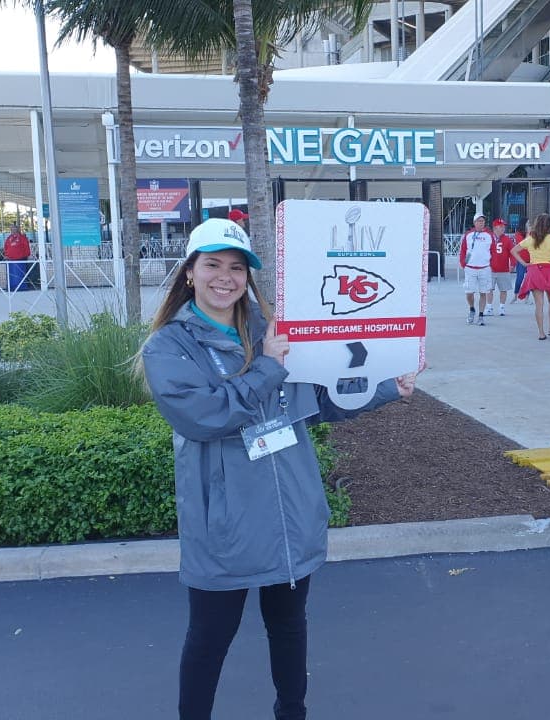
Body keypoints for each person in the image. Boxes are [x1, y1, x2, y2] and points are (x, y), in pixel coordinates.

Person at [139, 218, 415, 720]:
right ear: (189, 274)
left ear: (249, 277)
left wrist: (386, 388)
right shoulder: (170, 346)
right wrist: (269, 365)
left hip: (290, 512)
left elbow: (321, 402)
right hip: (226, 522)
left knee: (289, 627)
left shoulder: (274, 334)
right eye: (213, 265)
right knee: (209, 638)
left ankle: (293, 712)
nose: (225, 278)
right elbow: (207, 416)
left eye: (237, 268)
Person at [511, 213, 550, 340]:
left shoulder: (530, 239)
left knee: (539, 304)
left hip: (535, 270)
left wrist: (524, 263)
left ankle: (541, 333)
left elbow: (514, 250)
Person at [458, 215, 494, 325]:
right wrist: (464, 264)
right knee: (469, 292)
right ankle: (472, 309)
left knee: (483, 292)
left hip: (484, 268)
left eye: (483, 221)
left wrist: (491, 265)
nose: (481, 223)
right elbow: (463, 250)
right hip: (470, 268)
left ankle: (481, 315)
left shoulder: (489, 235)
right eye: (479, 221)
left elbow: (493, 251)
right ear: (474, 222)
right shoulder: (468, 235)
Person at [487, 219, 515, 316]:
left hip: (504, 269)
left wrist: (512, 264)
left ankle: (502, 307)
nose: (503, 228)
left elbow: (513, 252)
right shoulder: (489, 238)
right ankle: (489, 307)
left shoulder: (507, 239)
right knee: (489, 289)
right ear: (495, 228)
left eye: (504, 226)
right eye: (501, 226)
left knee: (504, 289)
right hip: (490, 269)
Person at [3, 222, 32, 291]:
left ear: (18, 229)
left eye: (14, 228)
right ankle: (11, 286)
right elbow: (6, 247)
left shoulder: (22, 238)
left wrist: (26, 255)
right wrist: (6, 255)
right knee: (12, 275)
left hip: (20, 260)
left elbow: (26, 247)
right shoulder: (9, 238)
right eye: (12, 228)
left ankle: (22, 286)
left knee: (20, 274)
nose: (13, 230)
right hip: (10, 261)